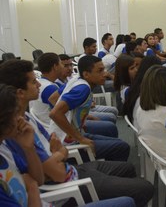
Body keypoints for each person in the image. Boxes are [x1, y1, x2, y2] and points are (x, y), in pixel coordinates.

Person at [0, 84, 137, 207]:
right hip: (64, 183)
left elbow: (37, 180)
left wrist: (30, 149)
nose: (20, 118)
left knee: (128, 168)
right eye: (14, 114)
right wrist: (57, 155)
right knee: (133, 196)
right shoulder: (12, 142)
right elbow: (39, 180)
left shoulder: (6, 148)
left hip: (68, 170)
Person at [49, 56, 130, 161]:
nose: (105, 74)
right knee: (122, 147)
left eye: (104, 69)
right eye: (100, 71)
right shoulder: (83, 89)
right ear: (86, 74)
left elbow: (53, 98)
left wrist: (79, 119)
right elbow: (54, 114)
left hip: (71, 135)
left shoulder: (76, 79)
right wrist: (80, 138)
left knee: (119, 142)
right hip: (67, 143)